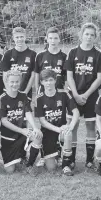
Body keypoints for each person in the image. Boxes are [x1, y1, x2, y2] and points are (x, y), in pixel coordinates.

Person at [65, 23, 101, 169]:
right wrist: (75, 94)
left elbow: (99, 78)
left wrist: (86, 95)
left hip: (91, 96)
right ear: (81, 35)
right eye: (86, 34)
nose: (89, 37)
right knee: (73, 126)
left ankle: (89, 160)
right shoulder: (72, 52)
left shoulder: (98, 54)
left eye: (92, 35)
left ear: (95, 37)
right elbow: (69, 76)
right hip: (73, 94)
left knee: (90, 126)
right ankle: (71, 159)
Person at [33, 69, 80, 176]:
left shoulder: (64, 94)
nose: (48, 83)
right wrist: (58, 129)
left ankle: (66, 165)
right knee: (51, 168)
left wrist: (70, 126)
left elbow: (76, 112)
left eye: (50, 80)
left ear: (55, 80)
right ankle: (52, 156)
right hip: (48, 132)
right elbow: (43, 122)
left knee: (67, 134)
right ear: (41, 82)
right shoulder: (39, 98)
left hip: (62, 129)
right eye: (45, 80)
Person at [34, 27, 68, 167]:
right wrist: (37, 91)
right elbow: (37, 75)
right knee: (45, 123)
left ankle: (59, 154)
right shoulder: (40, 55)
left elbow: (66, 77)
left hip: (58, 93)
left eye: (56, 38)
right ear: (46, 39)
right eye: (50, 38)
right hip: (45, 94)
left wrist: (65, 92)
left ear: (59, 39)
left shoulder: (64, 56)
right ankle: (44, 154)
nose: (53, 40)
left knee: (59, 122)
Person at [0, 70, 43, 174]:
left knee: (38, 135)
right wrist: (21, 130)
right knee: (10, 170)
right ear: (6, 82)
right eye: (12, 82)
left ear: (20, 82)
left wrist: (35, 128)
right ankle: (10, 157)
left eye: (17, 82)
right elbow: (4, 121)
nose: (14, 84)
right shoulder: (1, 99)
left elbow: (27, 113)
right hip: (7, 138)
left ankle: (29, 165)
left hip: (22, 134)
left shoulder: (23, 96)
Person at [0, 27, 37, 102]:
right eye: (17, 37)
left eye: (21, 37)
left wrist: (25, 92)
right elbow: (5, 77)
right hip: (10, 93)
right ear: (13, 38)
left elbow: (32, 76)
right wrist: (10, 92)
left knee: (25, 113)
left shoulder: (33, 54)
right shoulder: (8, 54)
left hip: (25, 92)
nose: (19, 39)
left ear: (25, 37)